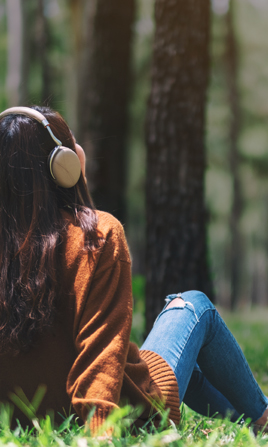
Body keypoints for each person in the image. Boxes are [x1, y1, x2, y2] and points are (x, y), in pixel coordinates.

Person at [0, 105, 267, 435]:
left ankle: (255, 424)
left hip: (34, 422)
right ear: (63, 166)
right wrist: (99, 437)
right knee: (195, 306)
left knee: (191, 367)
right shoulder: (95, 237)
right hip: (129, 415)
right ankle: (263, 415)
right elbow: (98, 359)